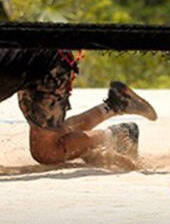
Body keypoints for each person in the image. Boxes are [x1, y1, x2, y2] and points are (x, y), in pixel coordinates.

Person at [0, 48, 157, 169]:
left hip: (48, 65)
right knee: (50, 135)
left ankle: (121, 135)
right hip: (38, 57)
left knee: (47, 152)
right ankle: (117, 103)